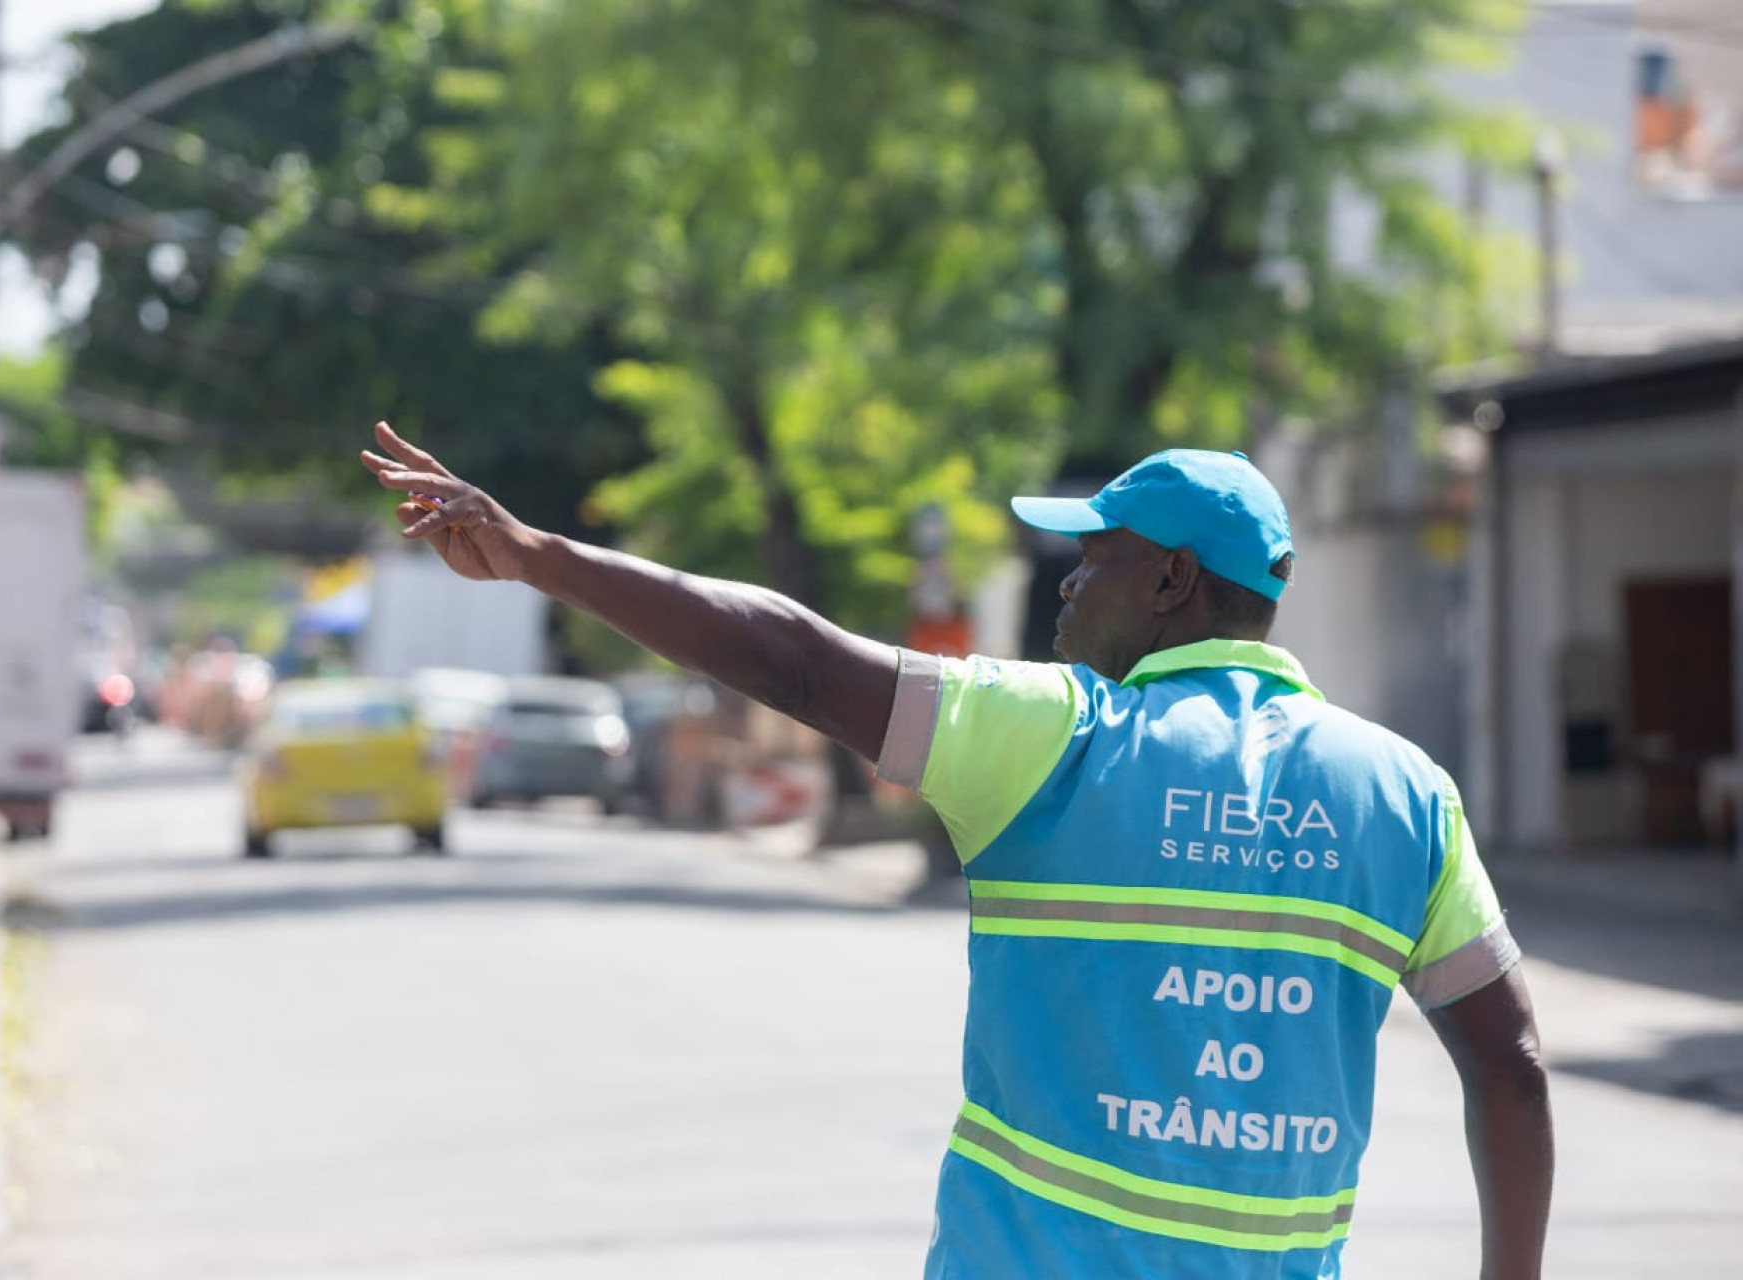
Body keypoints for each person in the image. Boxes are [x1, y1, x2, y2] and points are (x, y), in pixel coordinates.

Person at [360, 423, 1553, 1279]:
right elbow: (1513, 1065)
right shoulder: (1407, 795)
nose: (1071, 580)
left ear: (1177, 580)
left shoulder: (1054, 735)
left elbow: (794, 656)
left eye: (1101, 555)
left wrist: (539, 557)